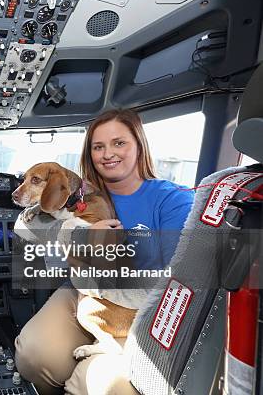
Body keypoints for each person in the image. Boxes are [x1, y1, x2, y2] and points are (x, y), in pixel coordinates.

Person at [14, 109, 194, 394]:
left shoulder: (173, 199)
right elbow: (28, 226)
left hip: (139, 298)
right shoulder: (80, 192)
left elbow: (178, 274)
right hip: (83, 287)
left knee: (102, 384)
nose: (108, 153)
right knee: (33, 356)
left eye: (119, 143)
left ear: (139, 145)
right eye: (99, 147)